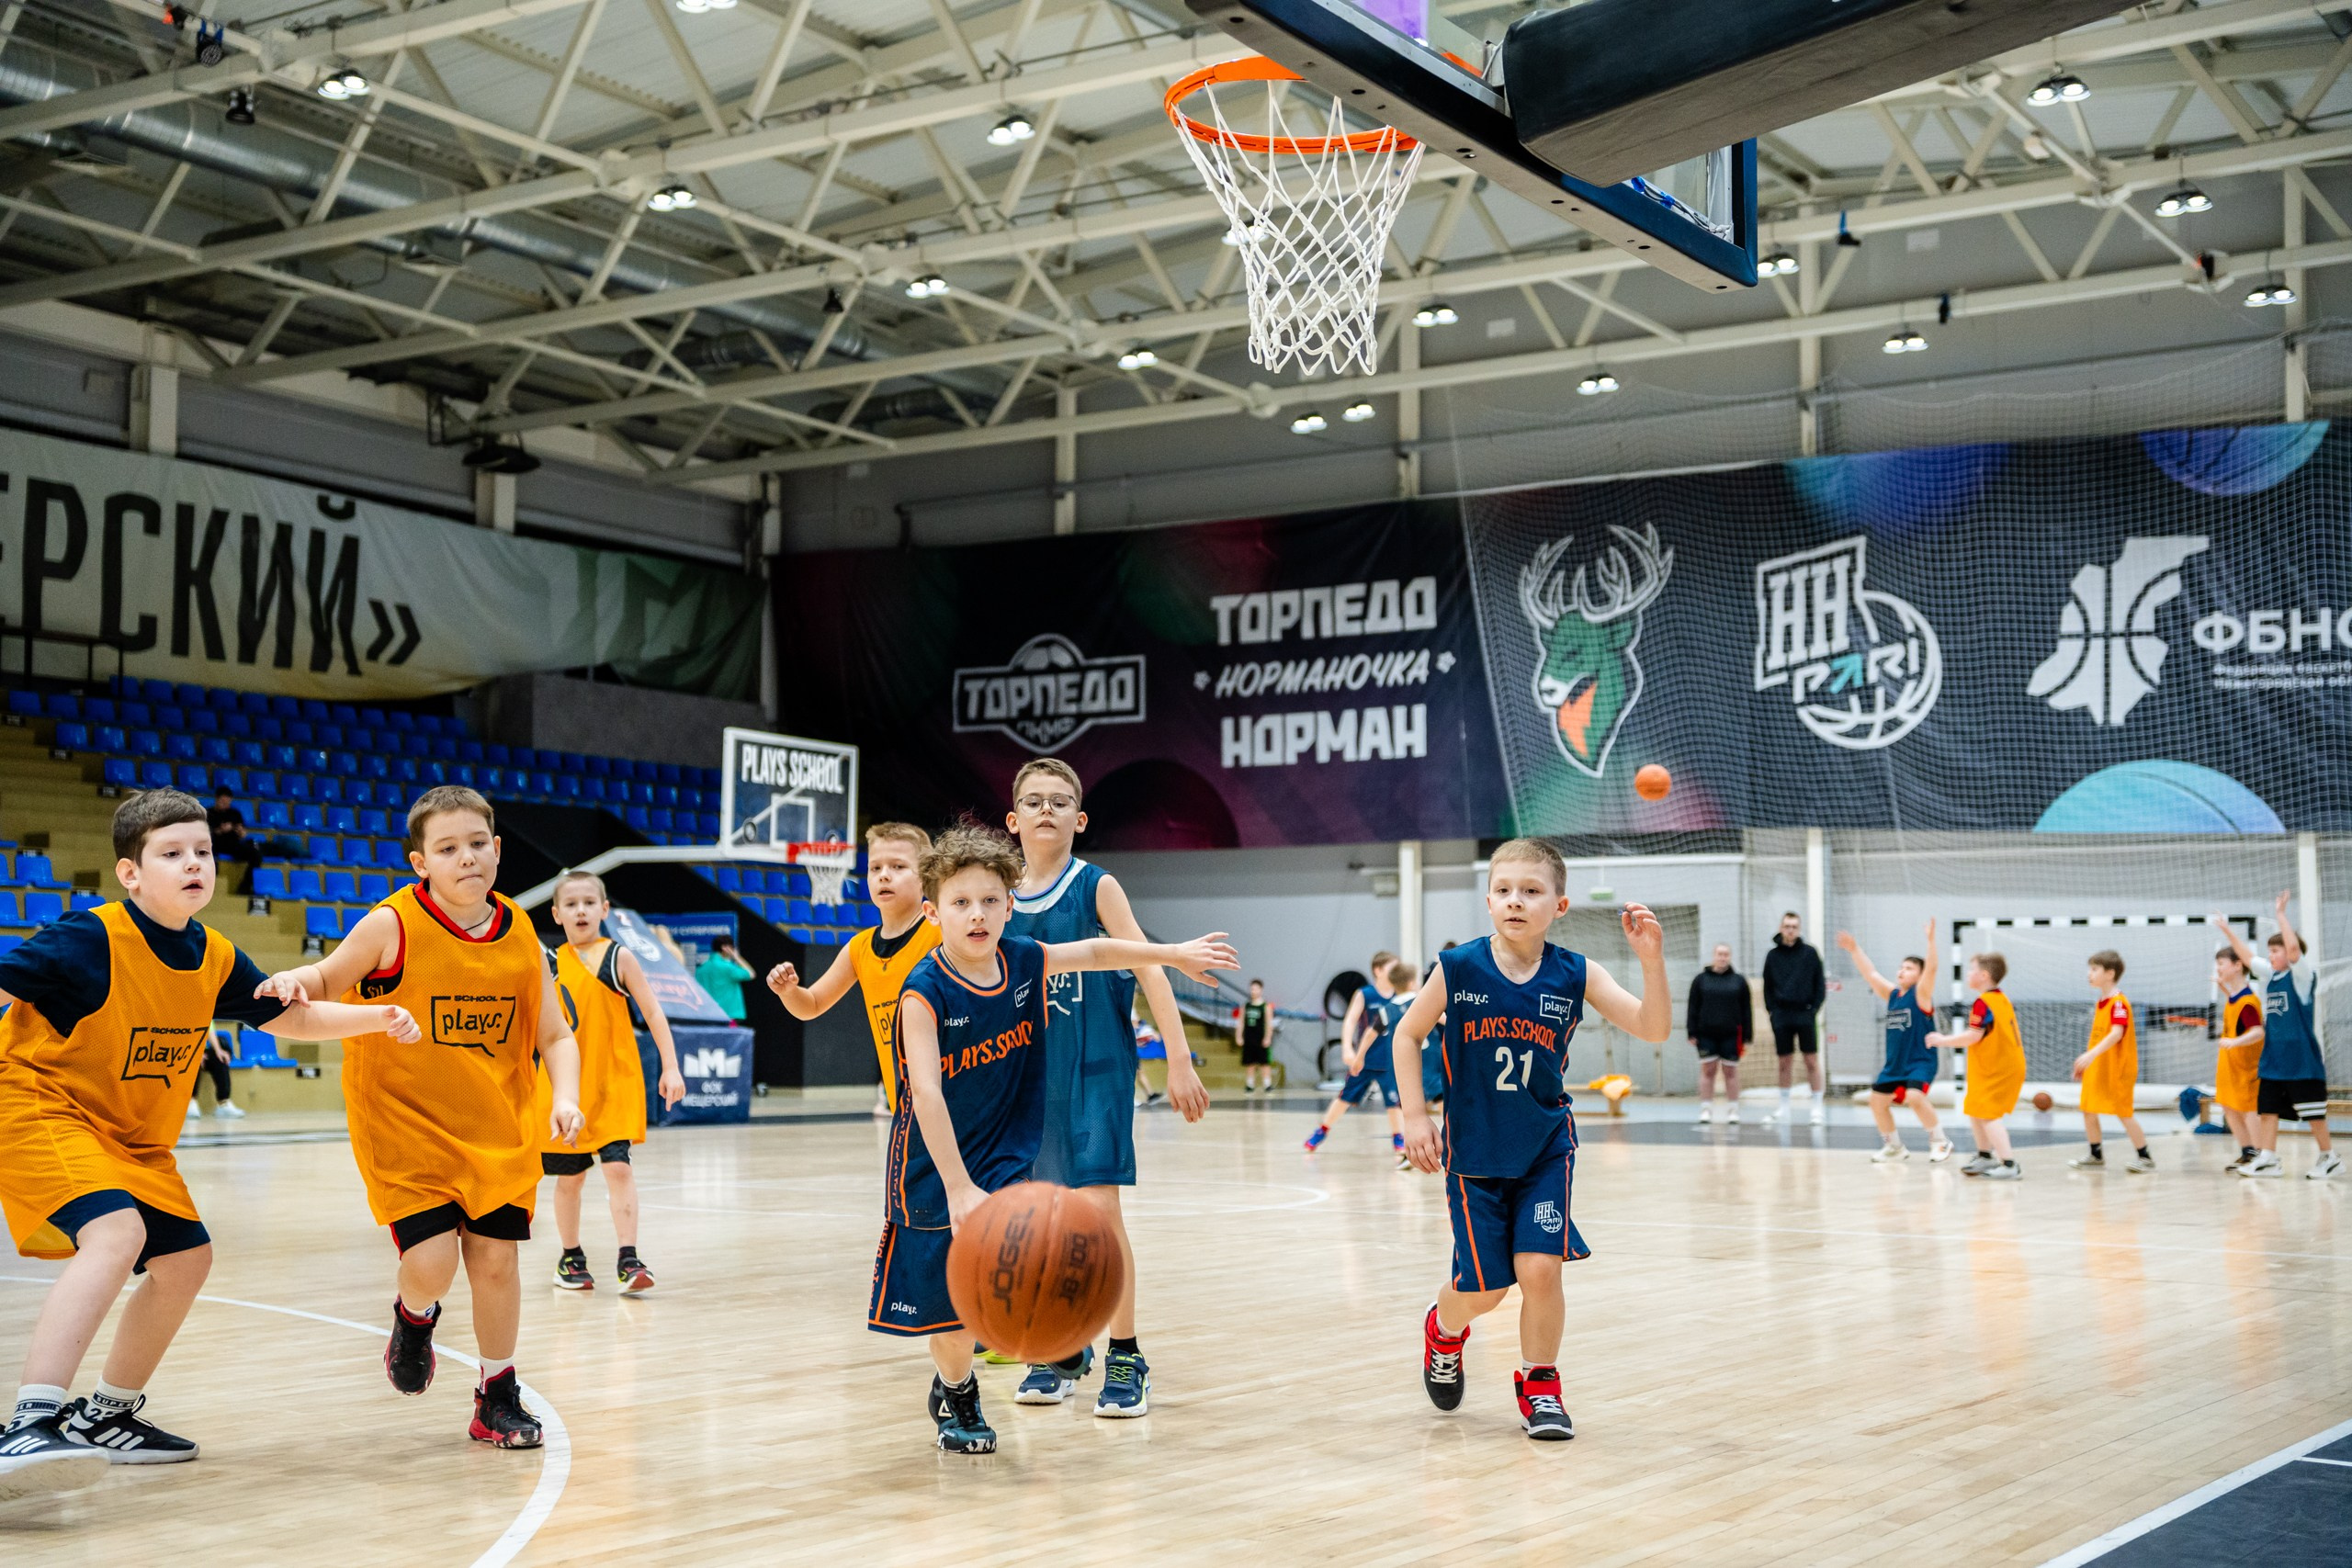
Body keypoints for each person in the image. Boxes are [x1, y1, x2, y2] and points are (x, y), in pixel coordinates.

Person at [0, 790, 418, 1501]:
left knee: (188, 1259)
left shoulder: (213, 953)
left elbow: (292, 1015)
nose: (193, 863)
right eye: (172, 853)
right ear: (131, 873)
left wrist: (380, 1015)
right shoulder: (87, 937)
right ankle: (28, 1421)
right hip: (41, 1106)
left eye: (202, 851)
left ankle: (105, 1414)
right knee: (116, 1233)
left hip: (132, 1139)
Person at [873, 824, 1236, 1453]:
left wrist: (1171, 953)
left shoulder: (1021, 958)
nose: (978, 914)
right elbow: (925, 1095)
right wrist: (958, 1187)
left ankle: (1057, 1339)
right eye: (961, 903)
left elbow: (1094, 955)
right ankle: (956, 1393)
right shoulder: (922, 992)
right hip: (935, 1169)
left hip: (1007, 1154)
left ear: (1010, 906)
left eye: (990, 900)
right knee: (953, 1313)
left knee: (1030, 1264)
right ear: (933, 914)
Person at [260, 785, 583, 1450]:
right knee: (433, 1261)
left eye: (475, 844)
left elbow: (554, 1033)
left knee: (496, 1263)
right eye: (447, 848)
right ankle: (416, 1313)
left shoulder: (520, 932)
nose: (465, 858)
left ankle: (496, 1396)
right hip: (404, 1126)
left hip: (497, 1127)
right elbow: (324, 979)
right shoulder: (391, 924)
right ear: (420, 862)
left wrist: (565, 1094)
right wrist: (295, 978)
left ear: (496, 850)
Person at [1393, 838, 1670, 1441]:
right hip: (1475, 1153)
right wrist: (1414, 1116)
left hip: (1545, 1147)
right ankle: (1443, 1330)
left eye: (1531, 890)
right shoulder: (1459, 967)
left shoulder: (1575, 973)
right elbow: (1407, 1033)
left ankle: (1540, 1384)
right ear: (1488, 900)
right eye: (1503, 890)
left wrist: (1651, 959)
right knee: (1486, 1291)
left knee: (1541, 1269)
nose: (1515, 900)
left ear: (1560, 905)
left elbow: (1652, 1027)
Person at [1001, 759, 1207, 1416]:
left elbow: (1149, 967)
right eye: (1032, 801)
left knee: (1098, 1215)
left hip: (1096, 1072)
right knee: (1043, 1222)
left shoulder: (1096, 885)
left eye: (1060, 801)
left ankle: (1125, 1352)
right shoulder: (996, 896)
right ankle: (1062, 1345)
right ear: (1012, 820)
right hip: (1028, 1081)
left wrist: (1178, 1056)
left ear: (1079, 818)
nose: (1046, 810)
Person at [540, 872, 685, 1293]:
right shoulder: (548, 963)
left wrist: (671, 1067)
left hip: (615, 1084)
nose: (581, 910)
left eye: (589, 902)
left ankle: (629, 1258)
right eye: (571, 904)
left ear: (605, 910)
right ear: (557, 914)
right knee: (571, 1179)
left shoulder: (618, 957)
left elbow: (654, 1013)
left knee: (618, 1168)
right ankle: (571, 1258)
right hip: (567, 1090)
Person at [764, 823, 940, 1121]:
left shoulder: (941, 931)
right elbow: (812, 1005)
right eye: (875, 867)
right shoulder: (859, 948)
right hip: (905, 1107)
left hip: (954, 1095)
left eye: (898, 866)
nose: (884, 874)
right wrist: (789, 991)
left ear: (926, 877)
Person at [2215, 896, 2339, 1179]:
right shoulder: (2271, 976)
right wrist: (2227, 930)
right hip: (2273, 1059)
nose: (2270, 956)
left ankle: (2329, 1157)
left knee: (2314, 1115)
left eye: (2275, 950)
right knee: (2267, 1110)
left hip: (2301, 1060)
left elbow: (2294, 949)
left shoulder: (2302, 977)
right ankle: (2268, 1158)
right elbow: (2246, 958)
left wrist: (2281, 914)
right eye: (2269, 951)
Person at [1836, 924, 1953, 1163]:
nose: (1902, 971)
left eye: (1909, 968)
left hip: (1920, 1061)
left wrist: (1931, 941)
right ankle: (1895, 1147)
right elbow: (1871, 974)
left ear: (1919, 976)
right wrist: (1855, 949)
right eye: (1901, 967)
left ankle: (1940, 1141)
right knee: (1876, 1101)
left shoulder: (1921, 994)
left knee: (1915, 1097)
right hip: (1895, 1064)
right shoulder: (1892, 995)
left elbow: (1932, 968)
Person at [1306, 958, 1417, 1167]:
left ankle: (1399, 1141)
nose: (1396, 970)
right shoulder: (1365, 994)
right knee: (1344, 1099)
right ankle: (1321, 1131)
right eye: (1391, 966)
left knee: (1394, 1103)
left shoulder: (1399, 996)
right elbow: (1350, 1020)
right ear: (1378, 970)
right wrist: (1348, 1048)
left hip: (1390, 1059)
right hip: (1365, 1059)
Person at [1927, 953, 2024, 1179]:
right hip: (1997, 1065)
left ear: (1984, 975)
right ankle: (1984, 1155)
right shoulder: (2001, 999)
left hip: (1999, 1067)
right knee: (1975, 1109)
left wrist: (1943, 1040)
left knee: (1988, 1114)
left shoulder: (1983, 1003)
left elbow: (1973, 1036)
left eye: (1971, 970)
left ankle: (2009, 1163)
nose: (1968, 974)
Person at [2069, 951, 2153, 1174]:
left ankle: (2145, 1157)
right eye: (2090, 969)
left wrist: (2090, 1055)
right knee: (2088, 1108)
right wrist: (2087, 1062)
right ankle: (2096, 1155)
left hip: (2118, 1068)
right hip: (2099, 1066)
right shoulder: (2102, 1002)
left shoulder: (2118, 1003)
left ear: (2110, 974)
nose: (2090, 974)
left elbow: (2116, 1034)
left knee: (2123, 1112)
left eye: (2095, 969)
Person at [1762, 911, 1827, 1122]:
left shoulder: (1810, 953)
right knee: (1784, 1062)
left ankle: (1817, 1106)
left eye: (1794, 926)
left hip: (1805, 1014)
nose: (1790, 930)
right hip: (1781, 1015)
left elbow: (1820, 985)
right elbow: (1768, 987)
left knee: (1811, 1060)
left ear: (1799, 929)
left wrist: (1813, 1009)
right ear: (1781, 928)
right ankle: (1783, 1107)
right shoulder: (1772, 956)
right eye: (1787, 926)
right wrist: (1773, 1011)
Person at [2210, 931, 2265, 1172]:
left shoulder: (2248, 1001)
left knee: (2249, 1110)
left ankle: (2262, 1155)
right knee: (2230, 1108)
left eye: (2221, 964)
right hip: (2230, 1065)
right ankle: (2247, 1152)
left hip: (2246, 1065)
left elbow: (2257, 1031)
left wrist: (2235, 1042)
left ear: (2237, 965)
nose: (2218, 968)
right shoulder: (2235, 997)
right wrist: (2225, 990)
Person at [1685, 943, 1750, 1125]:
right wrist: (1691, 1031)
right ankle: (1706, 1109)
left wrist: (1747, 1034)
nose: (1723, 957)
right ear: (1714, 955)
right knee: (1708, 1071)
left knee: (1731, 1071)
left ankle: (1733, 1110)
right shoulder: (1700, 980)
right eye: (1720, 954)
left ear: (1730, 957)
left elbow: (1746, 1009)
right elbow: (1693, 1006)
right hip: (1706, 1034)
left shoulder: (1739, 980)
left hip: (1731, 1034)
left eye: (1726, 954)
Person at [183, 1026, 246, 1122]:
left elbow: (210, 1031)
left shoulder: (205, 1013)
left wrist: (218, 1051)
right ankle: (190, 1102)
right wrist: (195, 1052)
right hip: (186, 1049)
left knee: (221, 1059)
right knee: (192, 1060)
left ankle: (223, 1103)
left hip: (203, 1050)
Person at [205, 789, 262, 890]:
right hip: (215, 843)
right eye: (222, 802)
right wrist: (220, 830)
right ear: (216, 800)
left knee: (256, 855)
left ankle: (245, 886)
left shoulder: (235, 813)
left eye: (227, 803)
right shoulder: (208, 813)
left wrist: (241, 832)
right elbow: (205, 834)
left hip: (233, 844)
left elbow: (243, 834)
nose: (225, 805)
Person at [693, 938, 755, 1023]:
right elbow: (751, 974)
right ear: (725, 948)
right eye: (733, 948)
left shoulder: (700, 969)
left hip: (707, 1015)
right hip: (728, 1015)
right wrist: (737, 958)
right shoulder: (728, 968)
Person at [1236, 979, 1274, 1094]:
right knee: (1249, 1063)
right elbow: (1241, 1022)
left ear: (1261, 990)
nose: (1253, 991)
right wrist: (1239, 1036)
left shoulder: (1265, 1006)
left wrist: (1268, 1037)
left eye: (1256, 988)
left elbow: (1269, 1023)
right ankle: (1249, 1084)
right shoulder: (1246, 1006)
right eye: (1252, 988)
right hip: (1249, 1037)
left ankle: (1267, 1084)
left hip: (1260, 1038)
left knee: (1264, 1063)